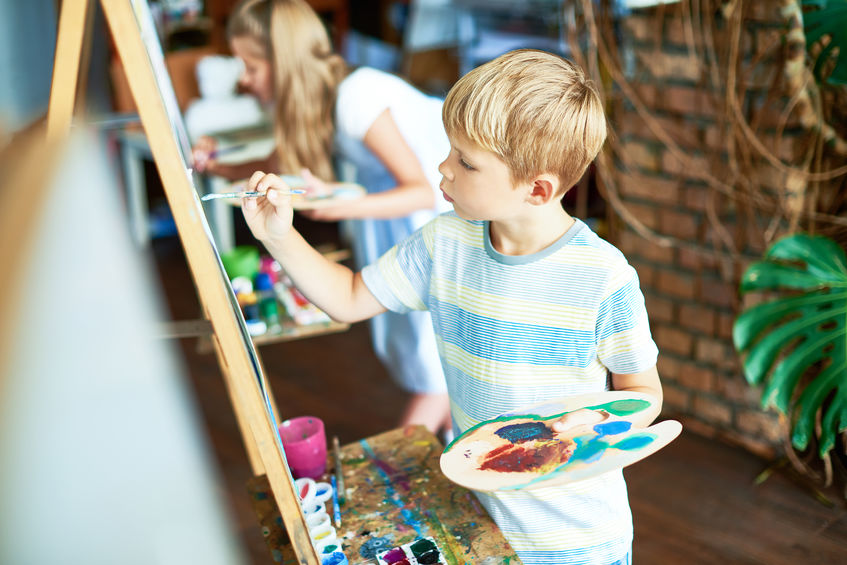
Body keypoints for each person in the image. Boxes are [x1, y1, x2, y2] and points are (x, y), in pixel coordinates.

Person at [240, 48, 663, 564]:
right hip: (477, 526)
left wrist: (566, 444)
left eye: (465, 161)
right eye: (449, 150)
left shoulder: (604, 279)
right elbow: (349, 298)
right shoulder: (445, 243)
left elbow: (641, 394)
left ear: (538, 188)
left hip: (575, 542)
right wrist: (280, 237)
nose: (442, 168)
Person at [192, 0, 452, 435]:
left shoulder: (356, 97)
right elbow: (271, 162)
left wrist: (339, 203)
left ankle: (397, 476)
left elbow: (420, 189)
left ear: (284, 61)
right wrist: (213, 164)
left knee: (432, 366)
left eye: (250, 65)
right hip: (397, 213)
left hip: (432, 212)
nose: (244, 78)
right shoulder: (317, 100)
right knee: (418, 353)